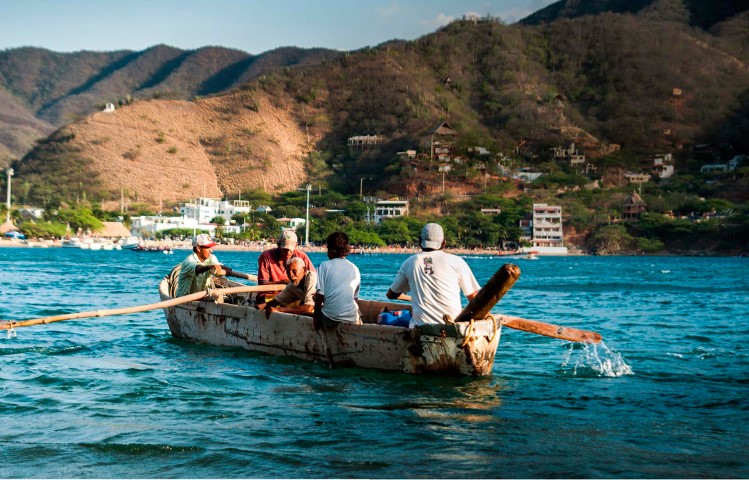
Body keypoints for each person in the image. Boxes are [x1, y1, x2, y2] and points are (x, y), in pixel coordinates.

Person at [386, 222, 480, 327]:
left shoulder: (410, 262)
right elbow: (475, 299)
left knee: (387, 319)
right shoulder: (457, 262)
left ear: (420, 241)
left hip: (420, 328)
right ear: (444, 243)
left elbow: (391, 294)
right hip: (452, 327)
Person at [313, 232, 362, 328]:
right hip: (351, 318)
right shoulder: (355, 268)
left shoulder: (324, 266)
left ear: (330, 250)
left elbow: (320, 296)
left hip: (330, 318)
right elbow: (355, 299)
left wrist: (316, 317)